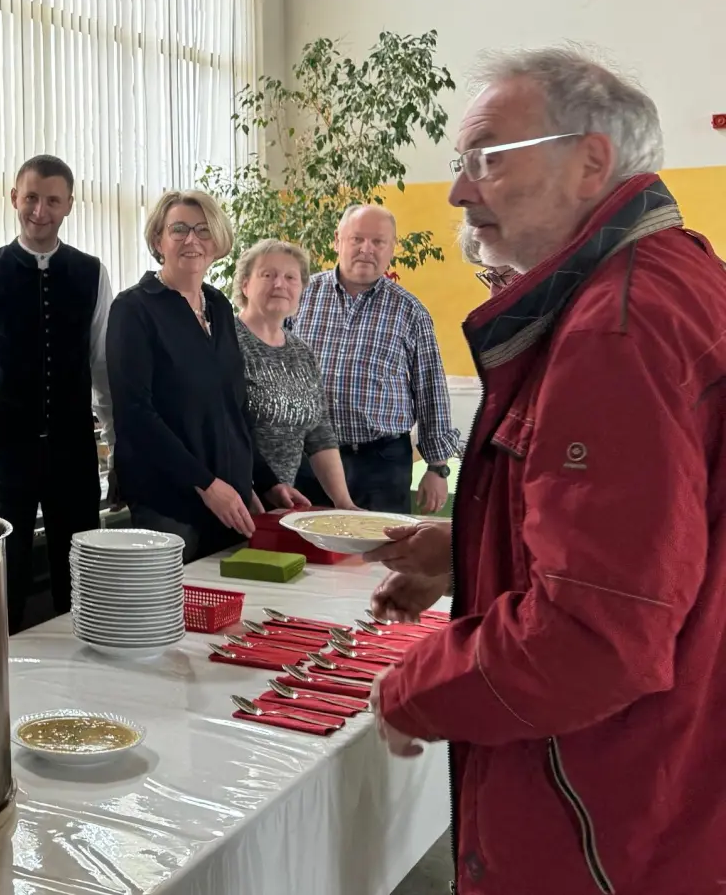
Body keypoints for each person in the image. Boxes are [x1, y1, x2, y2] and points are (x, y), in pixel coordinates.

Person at [366, 48, 726, 893]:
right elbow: (657, 545)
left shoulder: (617, 328)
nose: (459, 191)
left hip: (607, 818)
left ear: (590, 160)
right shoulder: (674, 278)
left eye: (486, 157)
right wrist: (464, 549)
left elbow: (598, 637)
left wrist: (417, 683)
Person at [0, 155, 113, 632]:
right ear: (13, 199)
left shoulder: (92, 273)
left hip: (74, 451)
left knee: (82, 578)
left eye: (51, 200)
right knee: (5, 576)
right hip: (3, 454)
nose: (39, 210)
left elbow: (103, 366)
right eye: (30, 198)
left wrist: (117, 441)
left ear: (68, 204)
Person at [108, 191, 308, 562]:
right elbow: (136, 416)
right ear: (158, 241)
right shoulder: (133, 308)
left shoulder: (217, 305)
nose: (191, 240)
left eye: (203, 230)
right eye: (178, 229)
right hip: (168, 504)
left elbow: (234, 408)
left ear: (217, 242)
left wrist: (265, 482)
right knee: (172, 616)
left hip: (226, 501)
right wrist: (206, 484)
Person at [291, 205, 458, 514]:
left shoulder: (410, 312)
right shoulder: (299, 295)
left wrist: (437, 469)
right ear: (337, 240)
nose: (366, 249)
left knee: (379, 555)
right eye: (357, 239)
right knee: (302, 553)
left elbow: (431, 391)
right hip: (306, 460)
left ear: (392, 248)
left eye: (378, 242)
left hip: (380, 466)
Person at [230, 239, 355, 508]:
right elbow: (219, 426)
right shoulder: (225, 342)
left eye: (290, 277)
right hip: (233, 502)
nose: (280, 284)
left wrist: (344, 503)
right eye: (268, 275)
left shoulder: (301, 352)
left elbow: (319, 433)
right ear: (245, 284)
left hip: (280, 505)